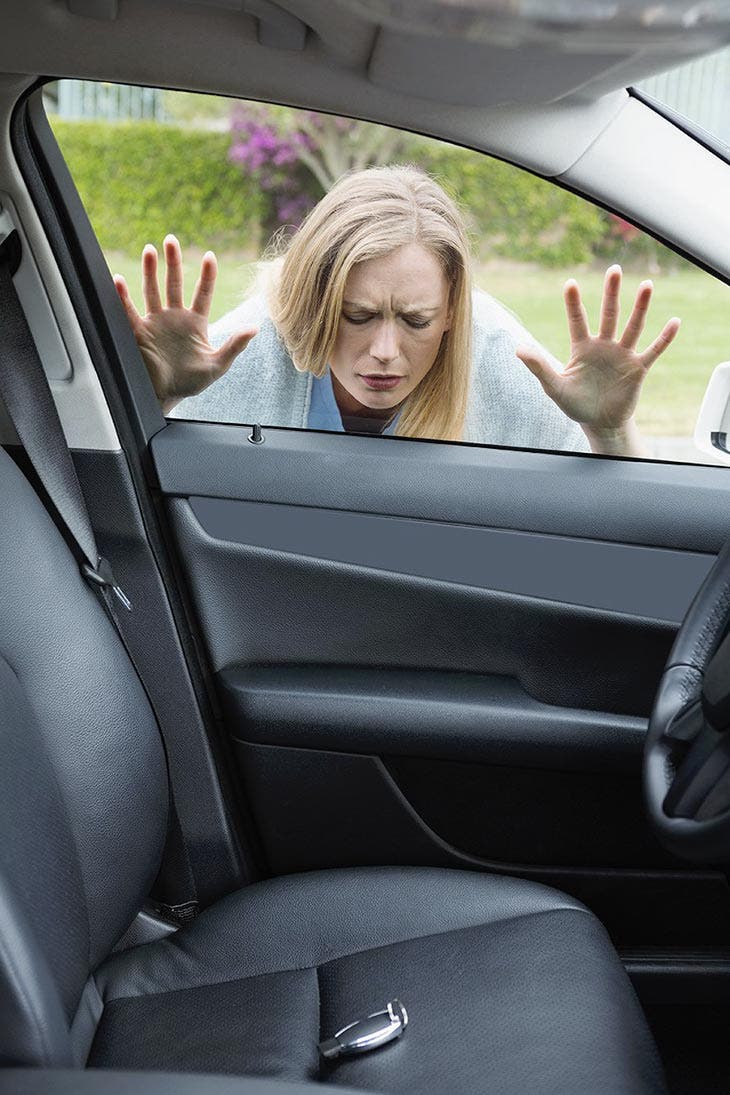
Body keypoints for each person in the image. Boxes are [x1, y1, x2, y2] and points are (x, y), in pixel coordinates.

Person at [114, 164, 680, 456]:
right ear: (312, 302)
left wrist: (608, 430)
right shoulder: (241, 349)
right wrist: (155, 398)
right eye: (357, 316)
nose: (385, 352)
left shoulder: (498, 355)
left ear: (455, 310)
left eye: (416, 321)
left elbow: (611, 515)